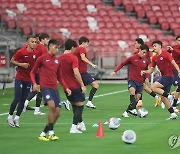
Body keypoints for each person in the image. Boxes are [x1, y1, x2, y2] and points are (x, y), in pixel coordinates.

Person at [30, 39, 71, 141]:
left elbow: (60, 77)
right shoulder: (42, 58)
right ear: (50, 46)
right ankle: (52, 133)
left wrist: (66, 87)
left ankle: (43, 133)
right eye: (55, 47)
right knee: (52, 106)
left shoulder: (58, 61)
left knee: (57, 113)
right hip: (45, 87)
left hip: (54, 88)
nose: (57, 50)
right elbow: (32, 72)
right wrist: (34, 83)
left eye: (58, 48)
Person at [141, 40, 180, 120]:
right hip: (164, 77)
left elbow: (174, 63)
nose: (154, 47)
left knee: (153, 87)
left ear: (160, 46)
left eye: (155, 46)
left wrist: (179, 71)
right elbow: (151, 70)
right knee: (163, 98)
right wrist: (144, 71)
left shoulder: (166, 54)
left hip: (169, 76)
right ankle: (173, 114)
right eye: (153, 46)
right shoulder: (155, 58)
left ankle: (170, 96)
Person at [110, 44, 149, 117]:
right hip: (132, 80)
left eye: (145, 53)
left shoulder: (145, 61)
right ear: (139, 50)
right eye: (143, 52)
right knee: (132, 91)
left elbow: (146, 70)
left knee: (137, 98)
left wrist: (146, 78)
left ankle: (126, 112)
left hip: (140, 82)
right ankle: (133, 109)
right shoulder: (132, 58)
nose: (144, 54)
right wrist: (115, 71)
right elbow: (122, 64)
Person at [7, 35, 37, 128]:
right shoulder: (21, 52)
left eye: (35, 42)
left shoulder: (36, 53)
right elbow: (12, 60)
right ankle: (10, 116)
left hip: (28, 80)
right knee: (17, 97)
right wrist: (21, 64)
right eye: (32, 42)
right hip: (19, 78)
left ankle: (17, 118)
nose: (34, 44)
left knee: (23, 100)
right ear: (27, 43)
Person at [58, 39, 87, 133]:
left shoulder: (59, 58)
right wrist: (82, 85)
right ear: (72, 47)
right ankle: (73, 127)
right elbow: (76, 73)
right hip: (74, 85)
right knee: (80, 105)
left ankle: (81, 124)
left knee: (75, 105)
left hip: (66, 87)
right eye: (75, 48)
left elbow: (58, 74)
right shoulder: (73, 58)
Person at [23, 33, 50, 115]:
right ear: (43, 39)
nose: (48, 41)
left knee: (38, 90)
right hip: (39, 71)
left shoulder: (36, 46)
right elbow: (45, 61)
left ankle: (34, 108)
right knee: (38, 90)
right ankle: (27, 104)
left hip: (34, 70)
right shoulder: (43, 48)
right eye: (47, 39)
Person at [134, 38, 161, 107]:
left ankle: (140, 102)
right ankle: (156, 98)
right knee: (143, 86)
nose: (134, 44)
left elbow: (152, 60)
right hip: (139, 71)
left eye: (136, 43)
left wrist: (148, 75)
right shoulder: (136, 52)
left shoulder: (146, 51)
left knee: (140, 86)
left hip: (145, 71)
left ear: (140, 44)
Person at [74, 36, 99, 109]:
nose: (87, 45)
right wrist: (92, 64)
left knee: (79, 88)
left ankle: (68, 101)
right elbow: (83, 58)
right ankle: (89, 102)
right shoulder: (82, 48)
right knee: (95, 85)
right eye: (87, 43)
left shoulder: (76, 49)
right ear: (83, 42)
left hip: (78, 71)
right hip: (82, 72)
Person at [165, 35, 180, 112]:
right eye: (178, 40)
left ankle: (169, 96)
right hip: (175, 70)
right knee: (178, 86)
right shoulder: (174, 47)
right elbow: (166, 54)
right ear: (176, 41)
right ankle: (174, 105)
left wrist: (173, 50)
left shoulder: (174, 49)